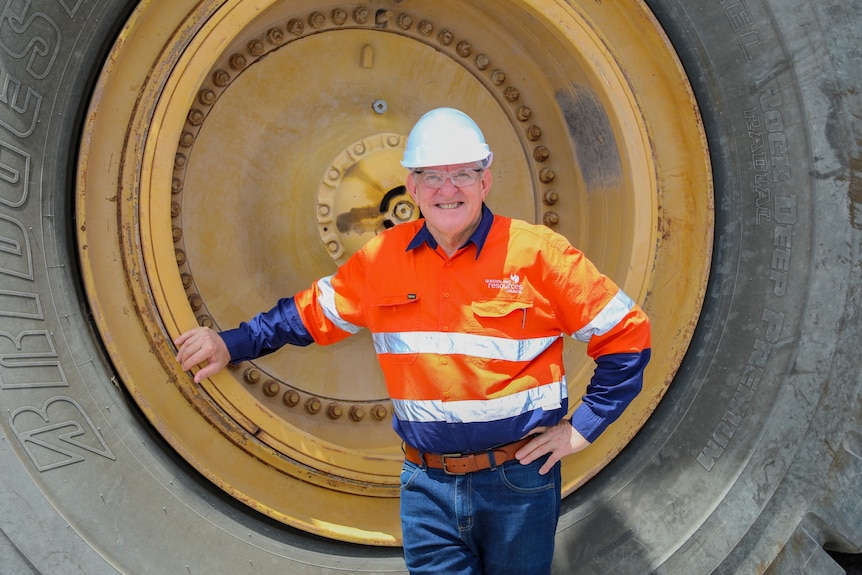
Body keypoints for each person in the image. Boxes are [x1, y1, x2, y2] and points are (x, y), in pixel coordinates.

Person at [174, 107, 651, 575]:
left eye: (463, 174)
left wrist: (581, 429)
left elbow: (627, 334)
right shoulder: (383, 260)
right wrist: (228, 344)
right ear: (414, 187)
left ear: (485, 181)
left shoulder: (538, 254)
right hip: (427, 487)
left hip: (517, 482)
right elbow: (306, 315)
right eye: (433, 177)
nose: (449, 189)